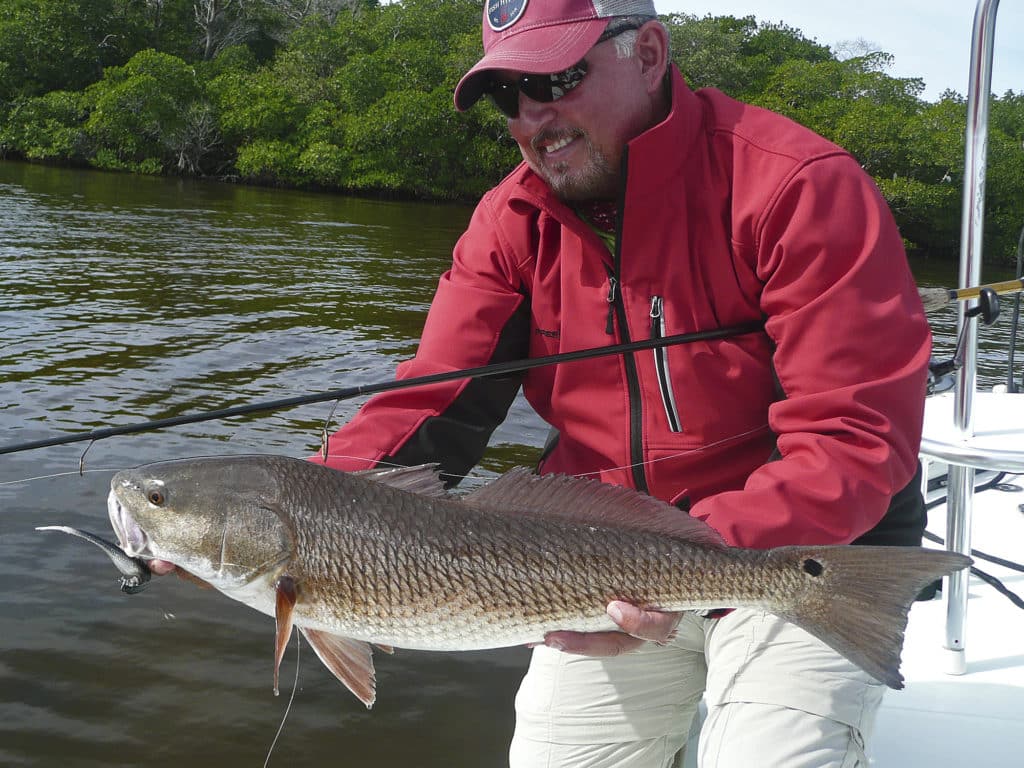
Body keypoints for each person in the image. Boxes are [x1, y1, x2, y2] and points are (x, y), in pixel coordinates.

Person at [158, 1, 932, 765]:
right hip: (591, 560)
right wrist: (289, 516)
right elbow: (436, 401)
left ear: (652, 53)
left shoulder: (799, 185)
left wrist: (686, 557)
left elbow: (852, 438)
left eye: (558, 76)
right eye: (508, 96)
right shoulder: (509, 221)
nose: (534, 117)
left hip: (806, 547)